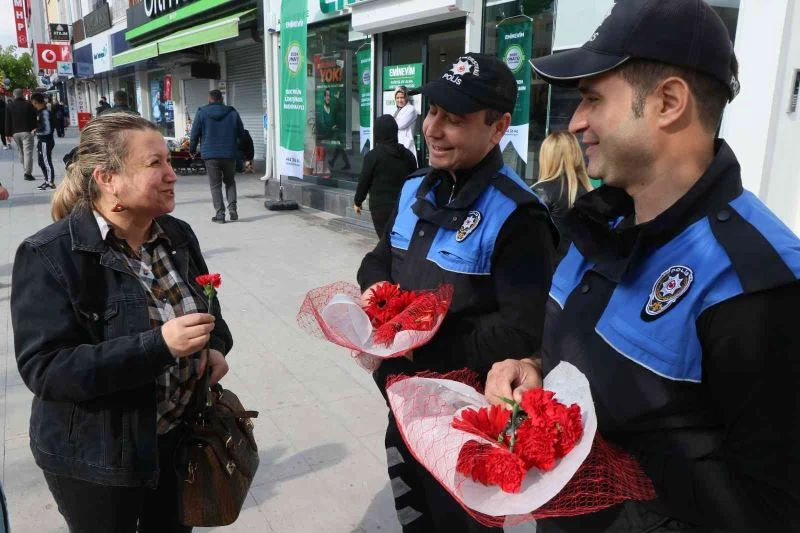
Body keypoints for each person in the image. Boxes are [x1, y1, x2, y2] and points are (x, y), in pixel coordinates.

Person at [484, 1, 800, 532]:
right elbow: (583, 360)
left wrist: (603, 477)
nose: (576, 121)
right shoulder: (596, 226)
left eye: (592, 99)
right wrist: (534, 369)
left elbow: (772, 512)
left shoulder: (757, 282)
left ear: (669, 102)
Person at [357, 52, 556, 533]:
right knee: (415, 516)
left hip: (467, 426)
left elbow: (522, 329)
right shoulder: (413, 189)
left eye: (455, 120)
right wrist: (374, 292)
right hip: (404, 405)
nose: (433, 129)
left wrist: (416, 349)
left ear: (498, 127)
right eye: (432, 113)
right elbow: (379, 259)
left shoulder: (519, 217)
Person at [10, 113, 233, 533]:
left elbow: (211, 313)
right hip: (98, 460)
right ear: (108, 178)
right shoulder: (49, 255)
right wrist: (159, 346)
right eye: (155, 164)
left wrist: (215, 347)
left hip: (176, 441)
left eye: (169, 161)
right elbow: (46, 369)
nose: (173, 175)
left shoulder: (176, 235)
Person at [531, 130, 593, 263]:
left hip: (549, 274)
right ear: (576, 155)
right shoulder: (590, 194)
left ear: (546, 157)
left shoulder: (540, 192)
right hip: (578, 275)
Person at [353, 114, 417, 236]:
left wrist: (358, 201)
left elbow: (364, 181)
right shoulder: (408, 155)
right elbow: (415, 181)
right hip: (405, 207)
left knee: (385, 244)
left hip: (381, 208)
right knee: (401, 244)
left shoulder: (373, 156)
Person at [189, 89, 245, 223]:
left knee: (215, 185)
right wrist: (236, 146)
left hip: (210, 155)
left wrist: (192, 150)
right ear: (222, 99)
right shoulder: (232, 112)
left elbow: (194, 133)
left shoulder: (202, 113)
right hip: (229, 154)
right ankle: (233, 209)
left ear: (209, 100)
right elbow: (241, 133)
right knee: (230, 181)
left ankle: (220, 215)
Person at [5, 88, 37, 181]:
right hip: (27, 131)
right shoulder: (28, 104)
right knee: (28, 152)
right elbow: (33, 117)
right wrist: (34, 128)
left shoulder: (9, 106)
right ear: (22, 94)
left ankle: (25, 169)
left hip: (15, 133)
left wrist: (7, 134)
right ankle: (28, 173)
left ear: (14, 95)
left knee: (21, 151)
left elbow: (7, 121)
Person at [318, 88, 350, 171]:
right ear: (324, 97)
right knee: (340, 145)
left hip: (335, 132)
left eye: (329, 96)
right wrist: (330, 128)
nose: (328, 98)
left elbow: (338, 108)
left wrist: (337, 98)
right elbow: (322, 124)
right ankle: (336, 162)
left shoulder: (331, 107)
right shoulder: (322, 109)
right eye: (327, 96)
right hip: (328, 133)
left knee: (340, 145)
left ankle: (334, 161)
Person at [31, 93, 56, 190]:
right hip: (42, 141)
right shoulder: (41, 112)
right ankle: (47, 180)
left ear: (35, 102)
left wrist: (36, 132)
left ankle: (50, 182)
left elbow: (47, 129)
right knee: (41, 162)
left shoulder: (44, 112)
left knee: (46, 162)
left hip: (46, 141)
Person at [393, 86, 418, 163]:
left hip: (406, 144)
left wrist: (392, 121)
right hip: (396, 145)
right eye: (397, 98)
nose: (399, 100)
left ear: (406, 98)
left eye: (402, 97)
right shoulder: (396, 110)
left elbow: (400, 124)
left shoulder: (411, 109)